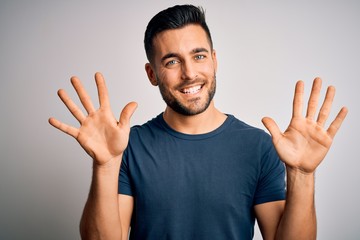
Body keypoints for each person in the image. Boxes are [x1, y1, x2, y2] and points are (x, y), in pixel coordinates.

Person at [49, 4, 348, 240]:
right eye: (172, 61)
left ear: (214, 60)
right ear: (152, 74)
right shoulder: (128, 146)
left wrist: (301, 174)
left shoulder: (259, 147)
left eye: (199, 56)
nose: (189, 73)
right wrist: (105, 165)